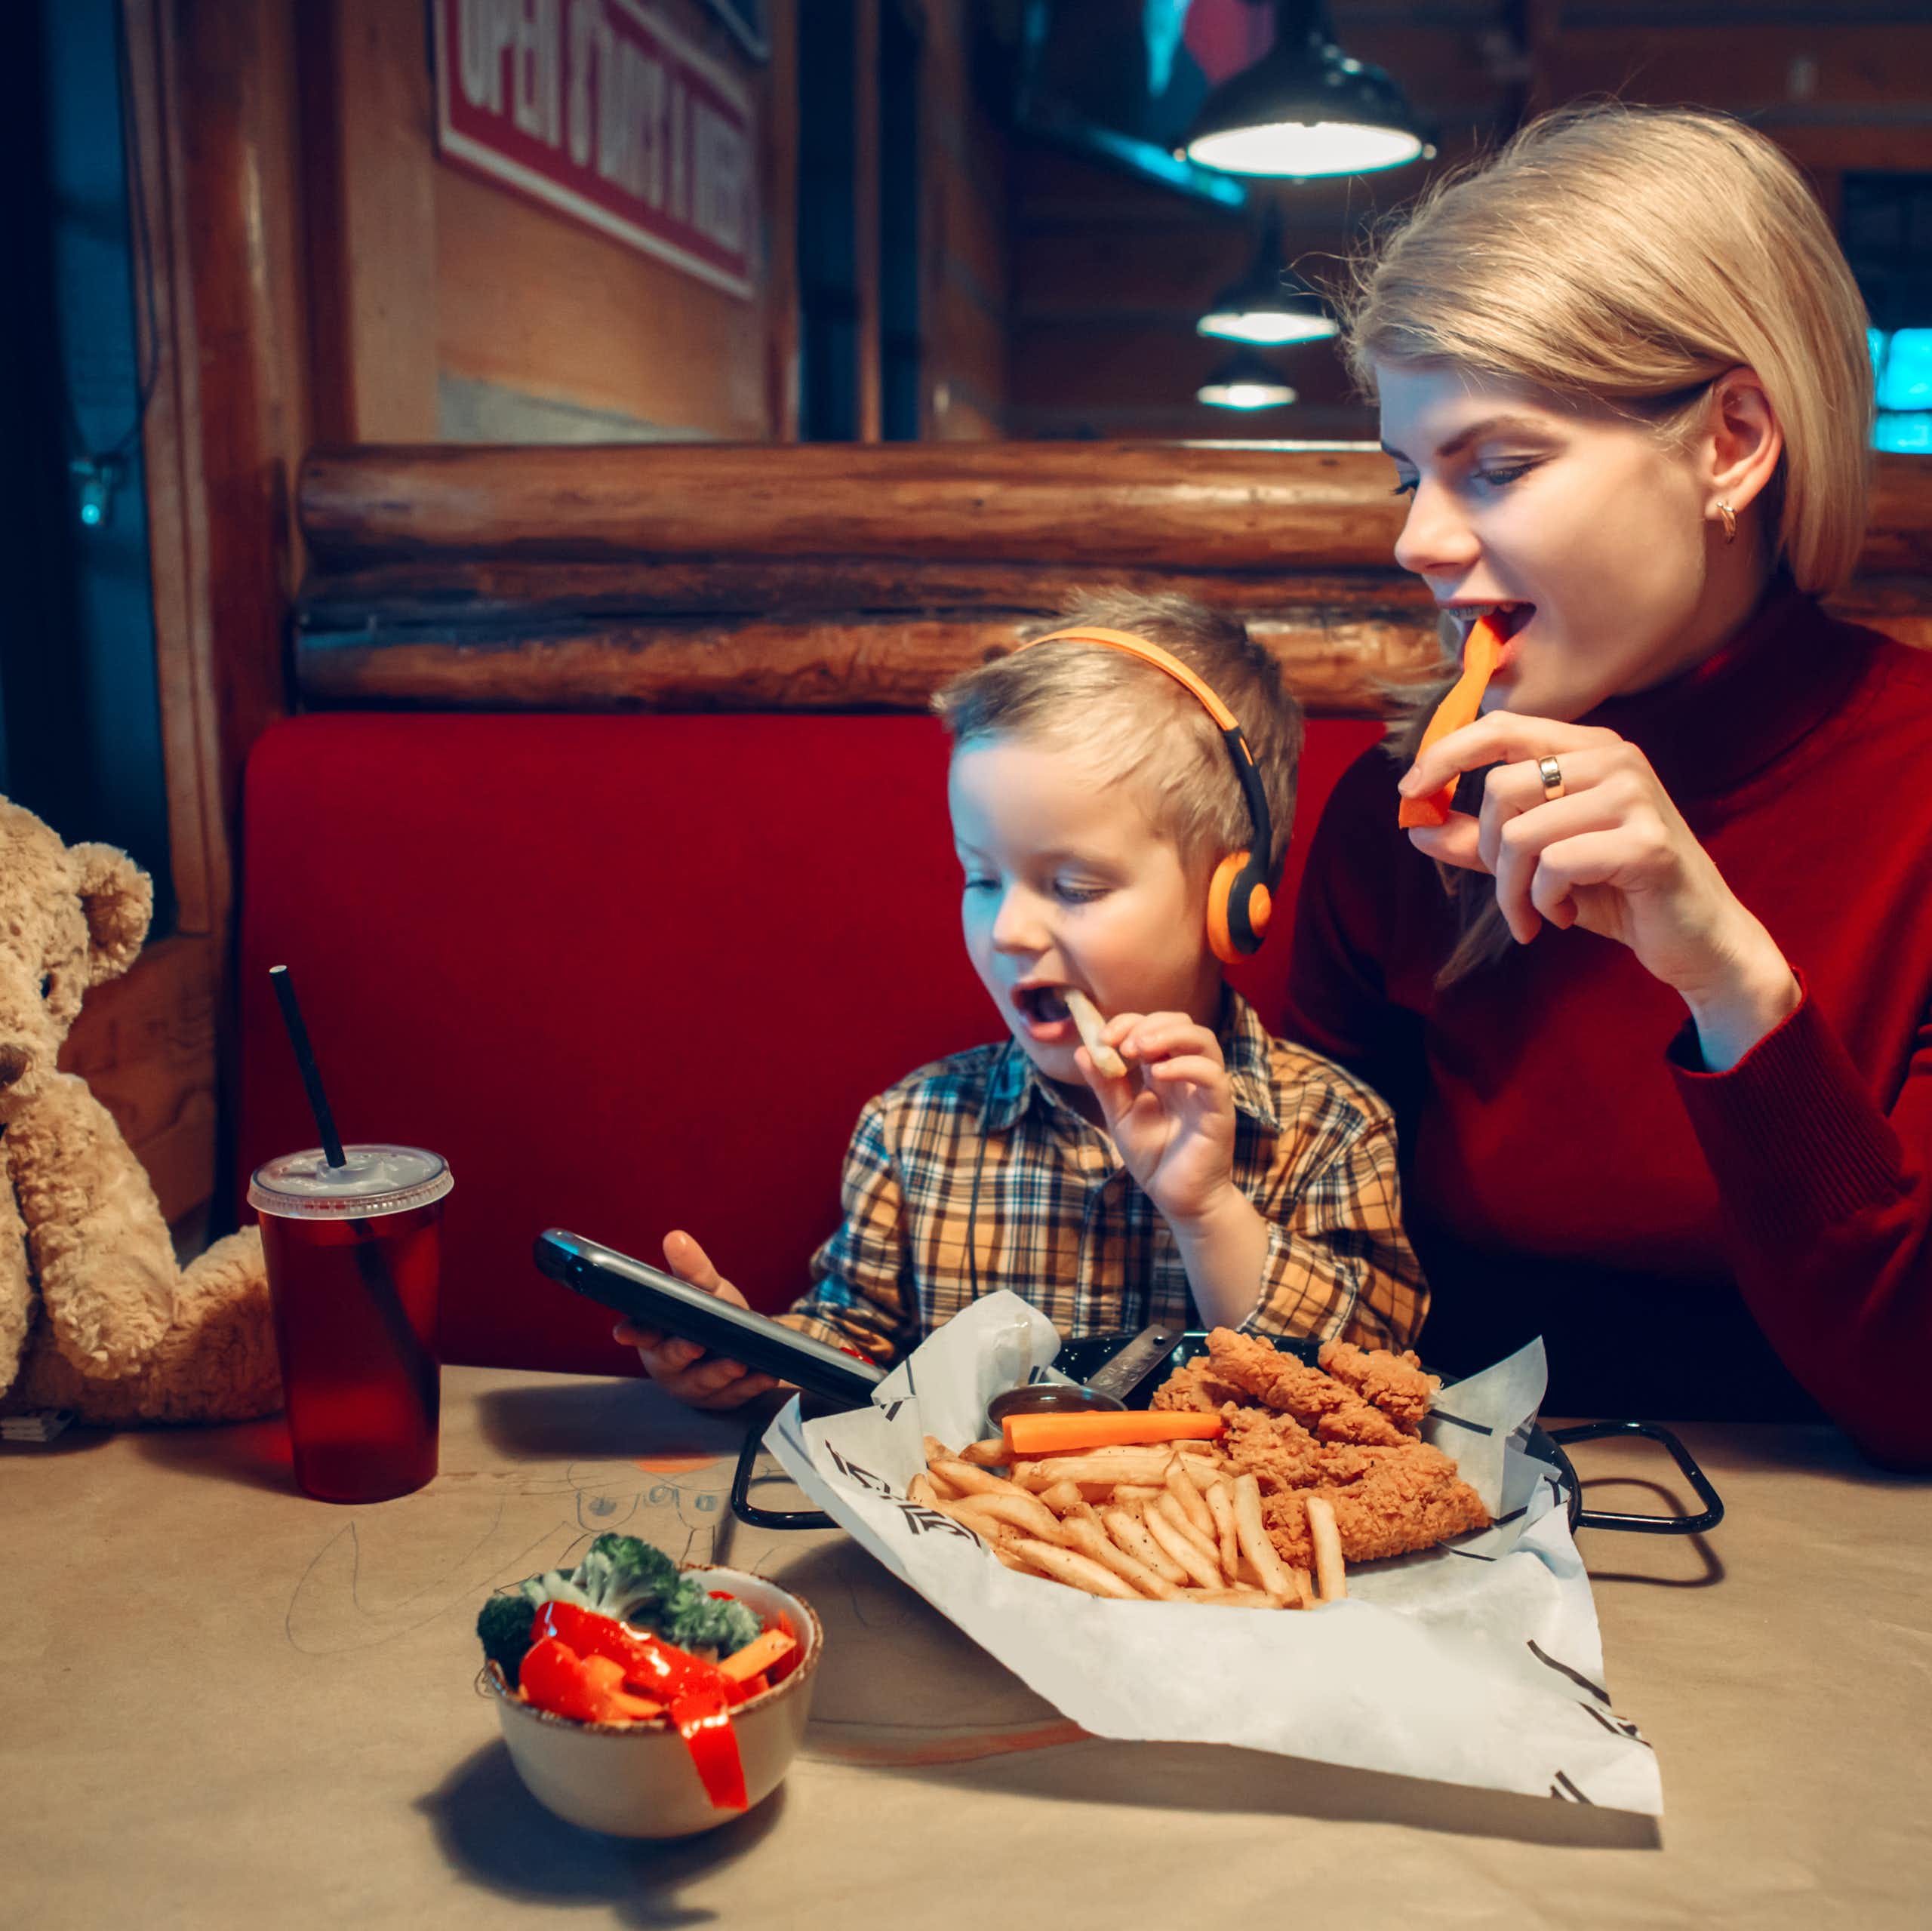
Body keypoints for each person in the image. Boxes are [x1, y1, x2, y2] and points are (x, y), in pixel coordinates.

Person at [1284, 103, 1932, 1467]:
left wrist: (1729, 982)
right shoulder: (1395, 828)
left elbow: (1915, 1392)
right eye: (1409, 471)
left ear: (1733, 443)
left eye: (1498, 465)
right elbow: (1322, 1316)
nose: (1417, 536)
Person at [621, 592, 1426, 1408]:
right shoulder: (910, 1132)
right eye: (982, 878)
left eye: (1072, 886)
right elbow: (853, 1355)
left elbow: (1368, 1394)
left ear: (1233, 900)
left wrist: (1208, 1211)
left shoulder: (1331, 1131)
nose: (1007, 928)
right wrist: (748, 1356)